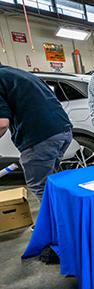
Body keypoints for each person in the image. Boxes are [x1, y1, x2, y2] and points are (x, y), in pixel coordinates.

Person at [0, 64, 72, 200]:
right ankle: (67, 216)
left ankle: (57, 220)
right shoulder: (17, 72)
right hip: (63, 129)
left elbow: (2, 124)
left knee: (39, 186)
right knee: (52, 181)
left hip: (40, 137)